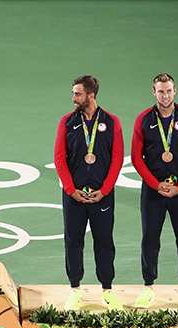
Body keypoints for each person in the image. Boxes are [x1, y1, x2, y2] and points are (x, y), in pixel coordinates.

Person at [54, 75, 124, 311]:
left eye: (78, 94)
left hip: (101, 196)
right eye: (74, 93)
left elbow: (117, 160)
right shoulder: (66, 122)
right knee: (73, 242)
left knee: (104, 242)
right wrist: (70, 189)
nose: (73, 98)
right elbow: (59, 158)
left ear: (90, 96)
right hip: (74, 196)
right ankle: (75, 290)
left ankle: (107, 290)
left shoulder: (112, 122)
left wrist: (104, 191)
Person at [131, 73, 178, 309]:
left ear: (175, 91)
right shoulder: (143, 120)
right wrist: (155, 184)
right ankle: (148, 287)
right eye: (161, 91)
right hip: (153, 191)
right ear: (154, 93)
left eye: (169, 90)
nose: (165, 95)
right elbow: (136, 158)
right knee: (150, 239)